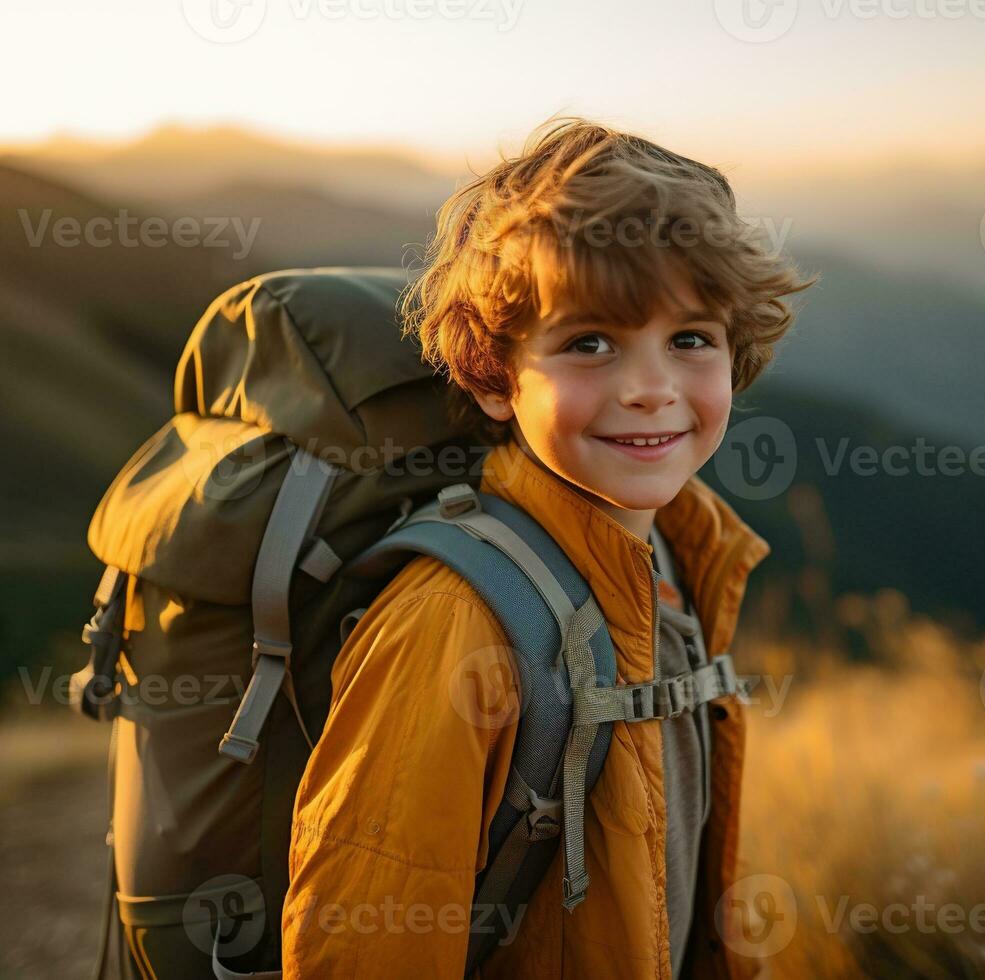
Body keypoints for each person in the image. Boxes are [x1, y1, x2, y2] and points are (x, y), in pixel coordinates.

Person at [282, 115, 812, 978]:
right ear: (495, 376)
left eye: (690, 339)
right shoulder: (455, 623)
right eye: (589, 343)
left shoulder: (678, 559)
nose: (650, 390)